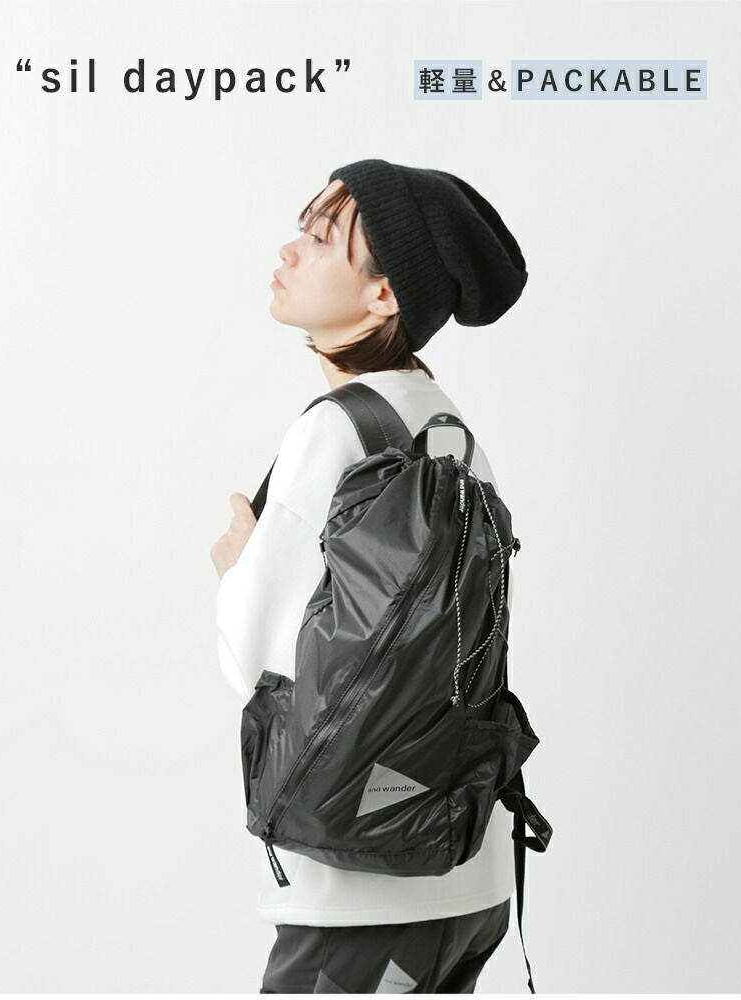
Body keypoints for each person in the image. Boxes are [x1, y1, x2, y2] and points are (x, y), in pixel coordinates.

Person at [210, 158, 529, 993]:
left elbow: (261, 667)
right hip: (469, 868)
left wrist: (237, 567)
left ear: (383, 296)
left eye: (321, 241)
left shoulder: (336, 432)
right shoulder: (454, 431)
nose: (289, 251)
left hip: (360, 894)